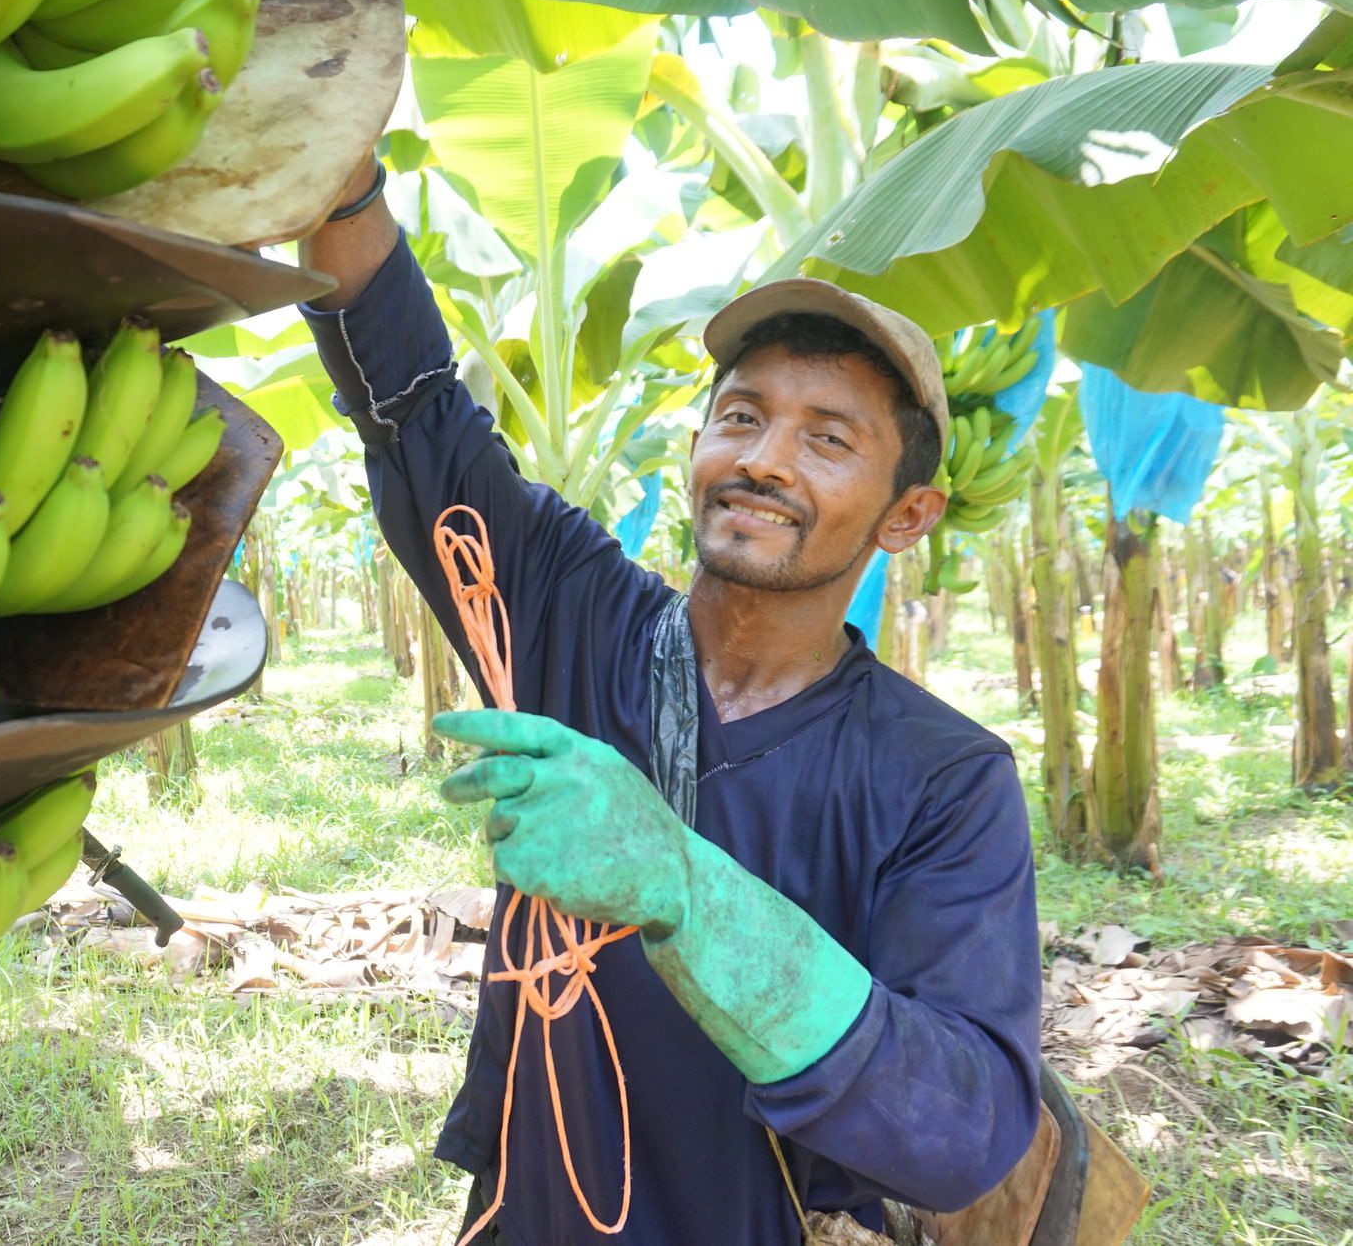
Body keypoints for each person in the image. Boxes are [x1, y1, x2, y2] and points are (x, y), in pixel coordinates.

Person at [297, 158, 1042, 1244]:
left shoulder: (942, 778)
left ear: (905, 515)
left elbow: (962, 1128)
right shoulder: (568, 607)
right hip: (533, 1212)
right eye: (739, 417)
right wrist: (340, 171)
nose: (763, 460)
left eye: (826, 439)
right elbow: (409, 404)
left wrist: (681, 886)